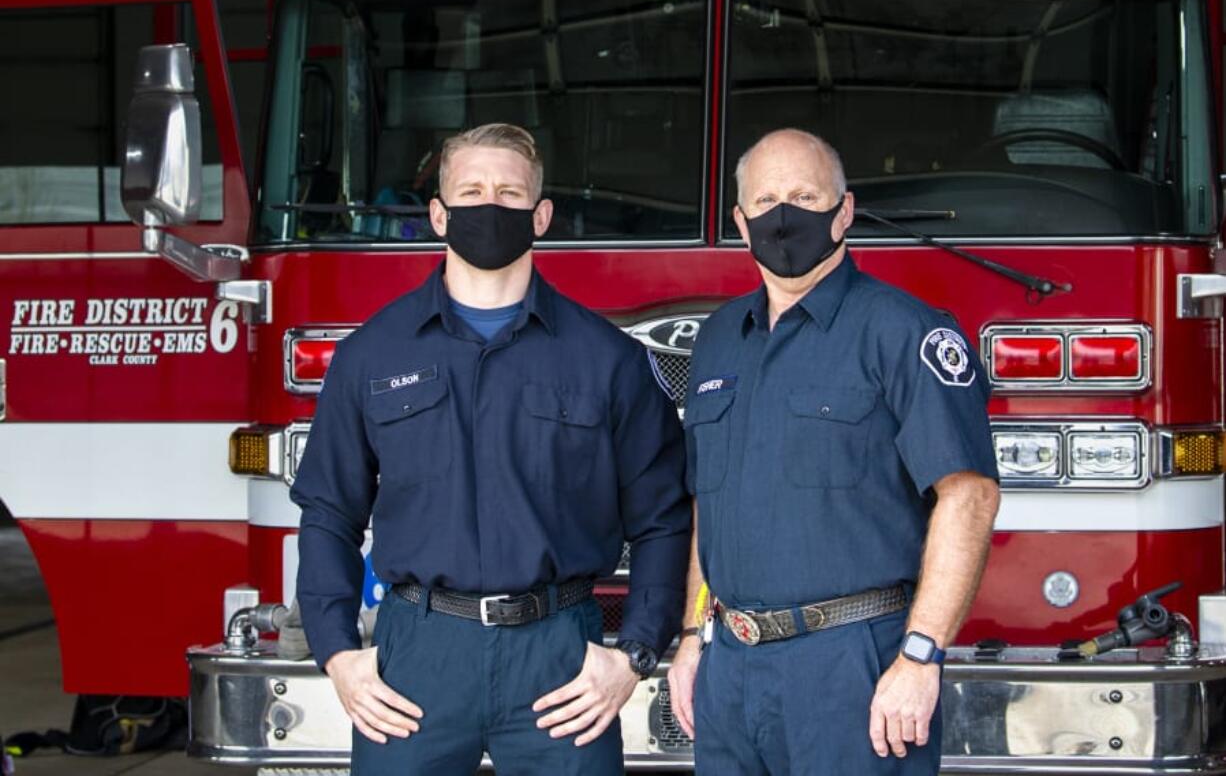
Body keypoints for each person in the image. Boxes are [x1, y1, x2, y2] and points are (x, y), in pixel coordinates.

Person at [290, 123, 689, 775]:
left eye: (509, 193)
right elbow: (329, 512)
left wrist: (634, 653)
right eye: (471, 191)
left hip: (559, 656)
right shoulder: (372, 354)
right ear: (439, 213)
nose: (491, 207)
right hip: (417, 657)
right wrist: (337, 652)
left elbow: (664, 518)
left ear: (542, 214)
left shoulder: (606, 360)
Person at [667, 128, 1001, 775]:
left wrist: (921, 655)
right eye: (765, 201)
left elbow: (970, 494)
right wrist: (691, 636)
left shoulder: (904, 331)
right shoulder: (717, 340)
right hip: (731, 667)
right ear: (741, 223)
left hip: (852, 665)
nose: (783, 216)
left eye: (804, 196)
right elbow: (713, 504)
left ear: (844, 211)